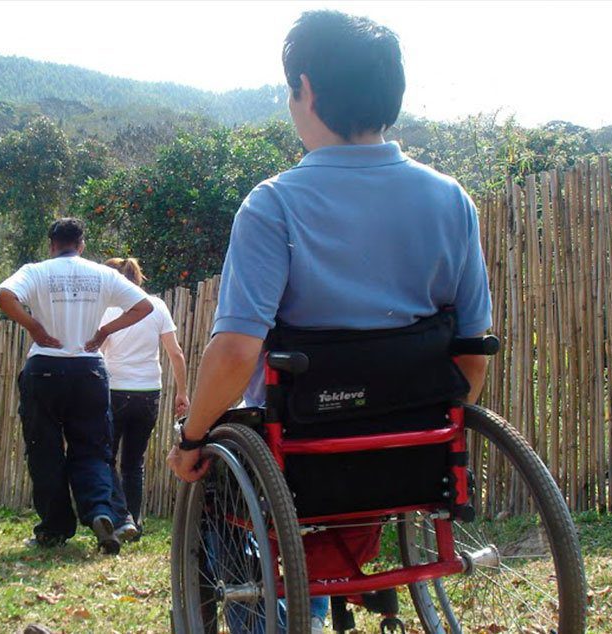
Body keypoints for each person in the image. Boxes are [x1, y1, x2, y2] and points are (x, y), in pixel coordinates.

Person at [167, 11, 493, 633]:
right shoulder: (450, 199)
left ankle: (283, 616)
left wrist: (190, 437)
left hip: (300, 452)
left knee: (214, 481)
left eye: (292, 89)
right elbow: (472, 353)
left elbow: (237, 351)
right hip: (413, 451)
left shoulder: (274, 204)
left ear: (307, 90)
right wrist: (423, 428)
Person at [0, 218, 153, 554]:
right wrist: (104, 331)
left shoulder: (36, 271)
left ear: (52, 244)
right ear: (82, 244)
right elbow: (144, 306)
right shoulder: (102, 274)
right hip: (89, 371)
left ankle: (54, 529)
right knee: (93, 449)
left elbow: (4, 295)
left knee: (45, 451)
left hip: (44, 368)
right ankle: (99, 512)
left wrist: (33, 326)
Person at [99, 257, 189, 541]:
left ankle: (121, 517)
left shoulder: (107, 311)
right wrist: (182, 391)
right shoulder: (157, 306)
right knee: (133, 461)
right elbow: (175, 353)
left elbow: (96, 351)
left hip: (115, 390)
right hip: (149, 392)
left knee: (106, 458)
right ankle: (134, 521)